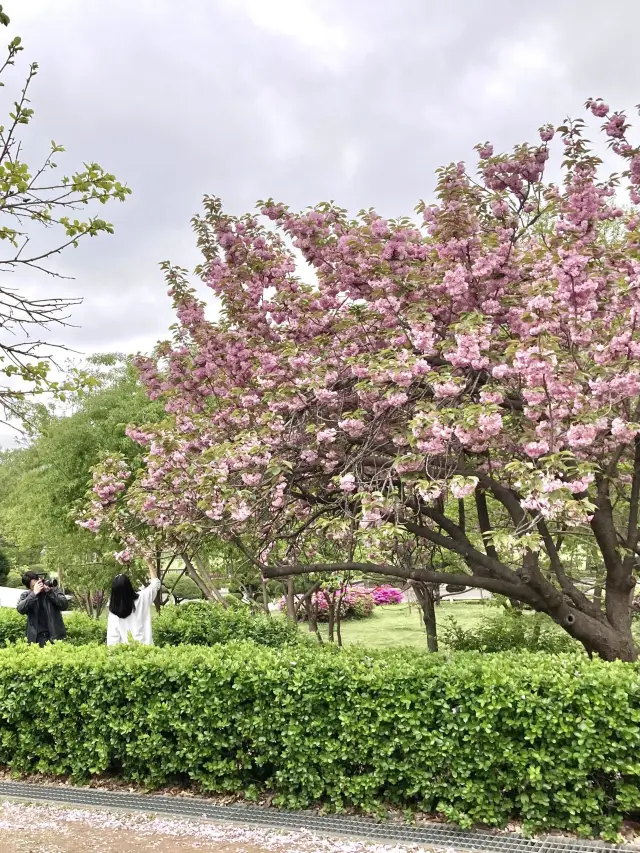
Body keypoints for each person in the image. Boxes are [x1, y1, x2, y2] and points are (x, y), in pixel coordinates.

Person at [107, 571, 161, 646]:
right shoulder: (142, 598)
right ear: (129, 586)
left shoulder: (114, 609)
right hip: (148, 650)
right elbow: (156, 584)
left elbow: (112, 639)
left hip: (127, 653)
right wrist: (149, 563)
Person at [16, 572, 68, 646]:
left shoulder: (53, 590)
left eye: (38, 583)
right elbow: (20, 609)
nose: (38, 586)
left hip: (55, 636)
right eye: (33, 586)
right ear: (29, 588)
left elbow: (64, 605)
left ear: (40, 580)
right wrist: (34, 594)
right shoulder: (26, 595)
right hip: (36, 639)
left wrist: (50, 593)